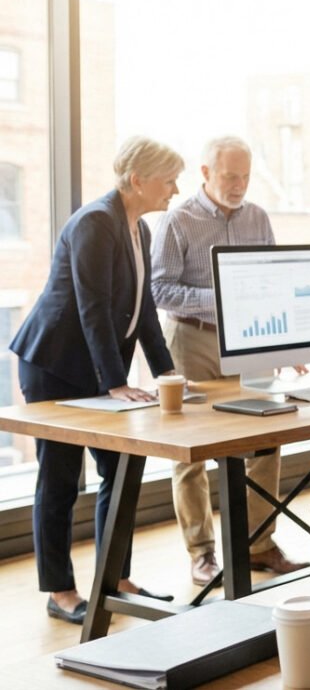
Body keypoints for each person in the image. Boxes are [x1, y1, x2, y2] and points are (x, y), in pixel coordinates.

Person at [8, 136, 182, 623]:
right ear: (138, 180)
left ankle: (115, 578)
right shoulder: (94, 223)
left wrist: (167, 370)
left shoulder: (139, 229)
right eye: (168, 179)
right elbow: (93, 308)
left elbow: (144, 309)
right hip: (55, 367)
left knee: (122, 468)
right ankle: (60, 591)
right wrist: (114, 382)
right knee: (61, 478)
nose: (175, 188)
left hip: (98, 371)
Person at [150, 136, 310, 586]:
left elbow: (274, 280)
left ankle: (258, 543)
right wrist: (224, 297)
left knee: (266, 437)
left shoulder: (257, 217)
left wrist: (287, 343)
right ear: (205, 173)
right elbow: (160, 290)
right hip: (191, 339)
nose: (239, 185)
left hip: (251, 341)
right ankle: (201, 554)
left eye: (244, 176)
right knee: (191, 450)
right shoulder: (177, 220)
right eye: (229, 176)